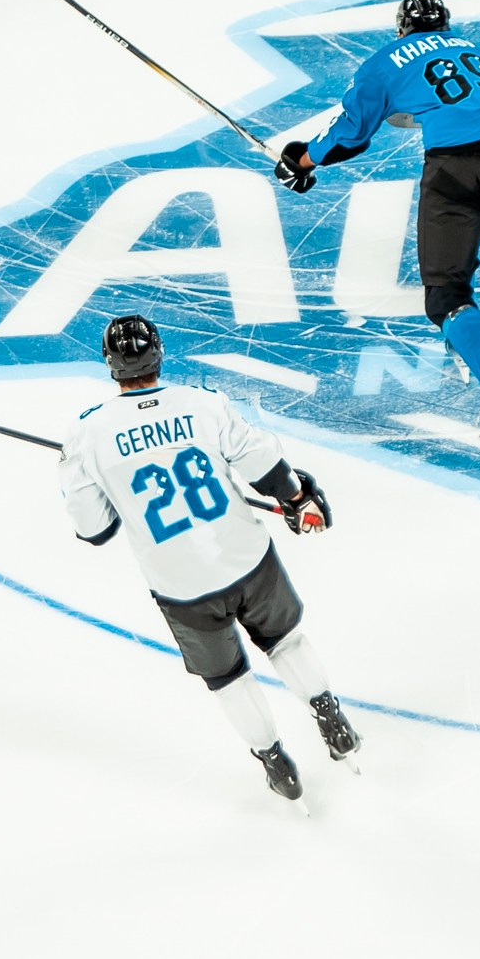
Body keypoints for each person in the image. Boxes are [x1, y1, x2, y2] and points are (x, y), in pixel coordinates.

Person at [58, 314, 361, 807]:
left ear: (111, 365)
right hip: (247, 558)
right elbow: (264, 465)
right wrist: (296, 498)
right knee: (285, 641)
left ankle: (275, 764)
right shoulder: (203, 404)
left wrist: (93, 477)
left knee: (228, 679)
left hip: (181, 586)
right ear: (159, 352)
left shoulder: (88, 434)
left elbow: (92, 529)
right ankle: (329, 714)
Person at [274, 0, 480, 455]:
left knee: (444, 295)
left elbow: (351, 134)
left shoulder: (384, 61)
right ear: (445, 25)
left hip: (456, 169)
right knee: (459, 259)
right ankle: (468, 340)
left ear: (402, 28)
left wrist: (301, 158)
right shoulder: (474, 50)